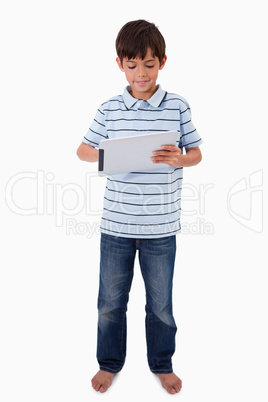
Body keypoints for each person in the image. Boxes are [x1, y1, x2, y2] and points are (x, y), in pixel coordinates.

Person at [77, 19, 202, 395]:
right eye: (133, 65)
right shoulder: (110, 108)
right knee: (110, 304)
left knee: (161, 304)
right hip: (116, 225)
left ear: (162, 61)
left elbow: (196, 153)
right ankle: (109, 364)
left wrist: (180, 159)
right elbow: (82, 150)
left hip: (161, 228)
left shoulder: (177, 105)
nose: (141, 73)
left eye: (149, 64)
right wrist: (112, 154)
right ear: (120, 64)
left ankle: (162, 364)